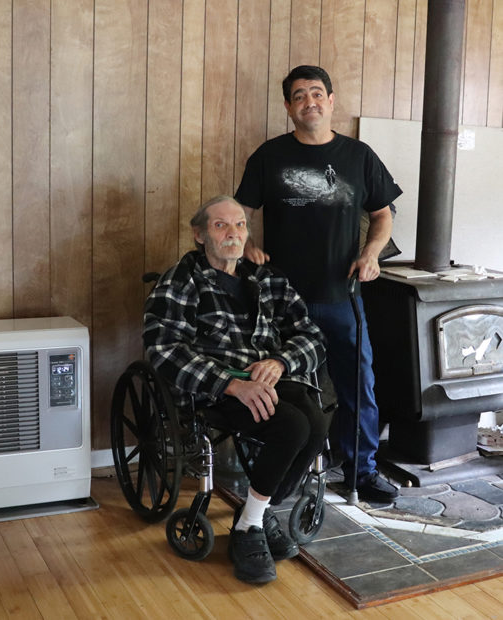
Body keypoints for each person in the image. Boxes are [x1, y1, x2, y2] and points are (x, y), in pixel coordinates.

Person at [235, 65, 402, 504]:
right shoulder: (268, 156)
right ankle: (275, 472)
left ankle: (361, 471)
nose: (309, 101)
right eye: (299, 95)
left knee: (358, 384)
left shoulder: (359, 156)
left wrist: (371, 253)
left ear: (330, 101)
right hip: (281, 302)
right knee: (276, 382)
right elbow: (238, 214)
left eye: (315, 93)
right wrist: (247, 245)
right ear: (288, 107)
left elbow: (382, 214)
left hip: (341, 295)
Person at [143, 195, 329, 584]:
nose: (234, 233)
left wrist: (281, 362)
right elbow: (163, 349)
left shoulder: (269, 280)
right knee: (292, 427)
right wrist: (229, 384)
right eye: (221, 225)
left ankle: (253, 517)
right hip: (215, 388)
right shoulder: (181, 280)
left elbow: (311, 335)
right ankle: (251, 527)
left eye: (240, 224)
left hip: (270, 378)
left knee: (315, 423)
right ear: (199, 235)